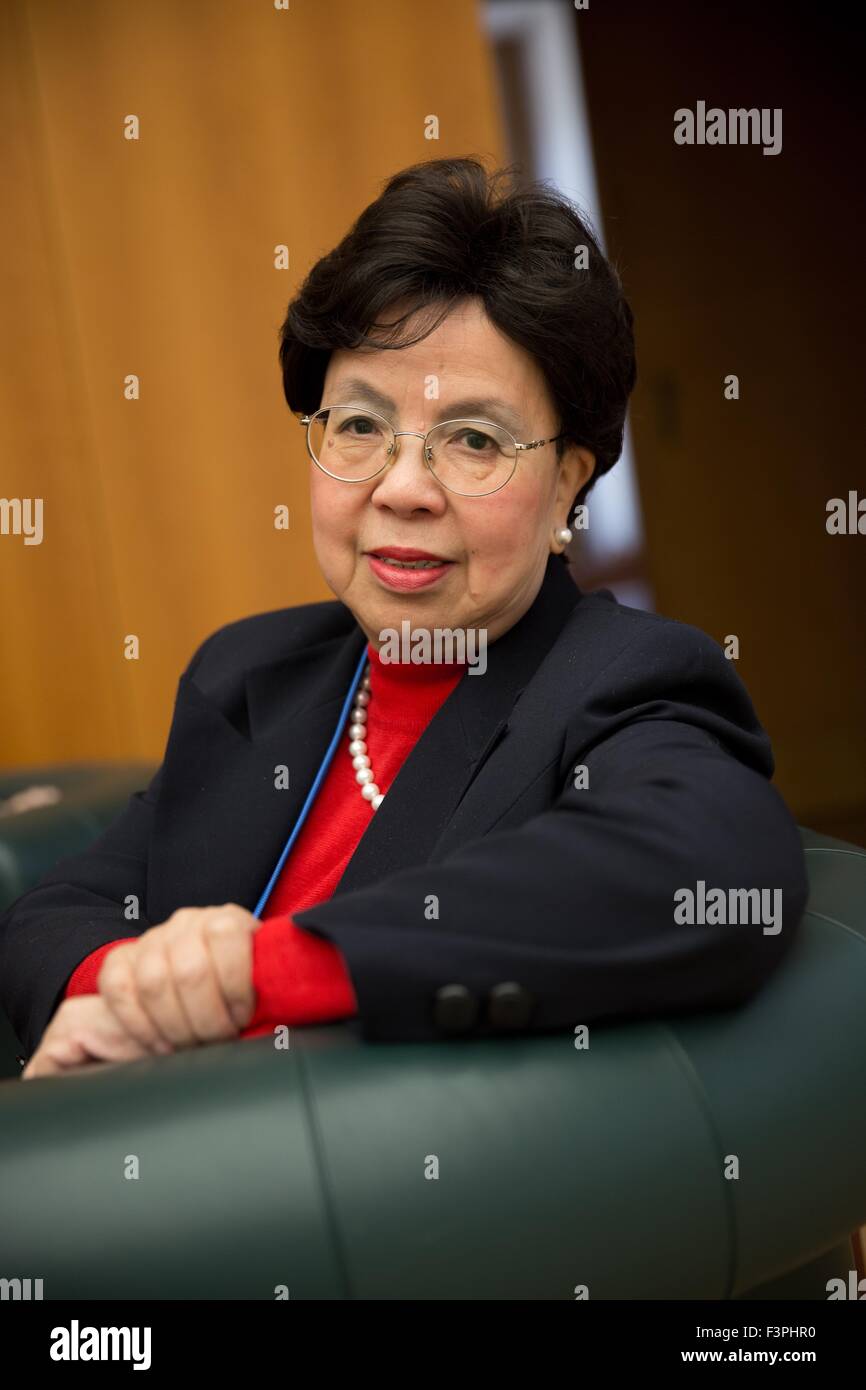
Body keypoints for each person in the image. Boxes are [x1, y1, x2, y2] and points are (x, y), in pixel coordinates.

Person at [0, 156, 807, 1080]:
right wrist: (128, 991)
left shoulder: (623, 678)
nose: (403, 488)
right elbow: (52, 911)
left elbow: (717, 870)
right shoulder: (250, 673)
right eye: (358, 425)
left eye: (474, 440)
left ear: (565, 489)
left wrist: (252, 979)